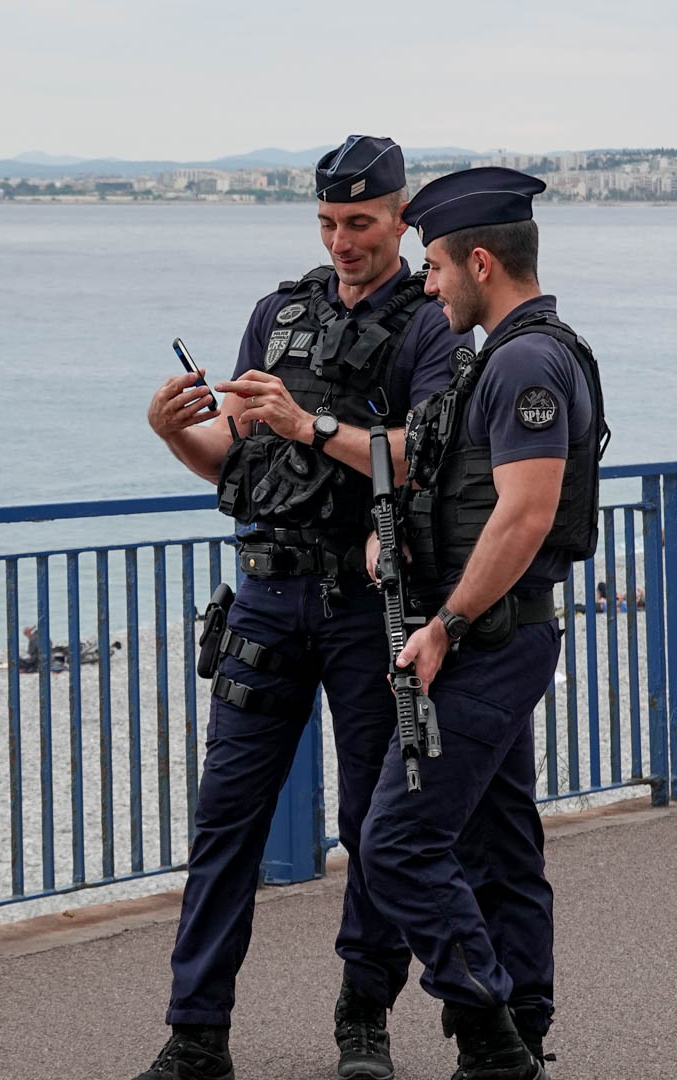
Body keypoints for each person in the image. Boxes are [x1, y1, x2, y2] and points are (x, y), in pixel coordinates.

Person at [137, 135, 470, 1080]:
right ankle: (196, 1033)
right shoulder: (275, 314)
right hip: (265, 598)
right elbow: (232, 459)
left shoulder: (432, 324)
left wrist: (308, 423)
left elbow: (428, 457)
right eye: (327, 223)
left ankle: (363, 1017)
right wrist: (171, 434)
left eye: (359, 223)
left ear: (400, 221)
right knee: (224, 820)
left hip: (369, 607)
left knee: (374, 826)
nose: (341, 242)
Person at [359, 166, 609, 1080]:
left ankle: (492, 1037)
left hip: (486, 639)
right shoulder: (512, 354)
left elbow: (525, 512)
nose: (426, 287)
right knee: (498, 846)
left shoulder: (524, 361)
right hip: (499, 631)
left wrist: (446, 627)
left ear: (477, 263)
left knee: (395, 843)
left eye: (432, 267)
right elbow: (462, 492)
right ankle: (521, 1030)